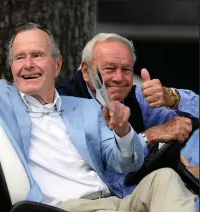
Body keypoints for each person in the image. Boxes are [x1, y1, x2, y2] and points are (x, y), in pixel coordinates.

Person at [0, 23, 196, 212]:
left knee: (166, 179)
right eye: (20, 57)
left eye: (37, 56)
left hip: (115, 200)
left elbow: (124, 162)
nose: (28, 64)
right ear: (12, 67)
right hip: (66, 209)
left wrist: (124, 132)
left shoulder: (86, 109)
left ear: (57, 65)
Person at [57, 33, 199, 198]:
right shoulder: (65, 105)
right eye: (109, 69)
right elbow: (106, 167)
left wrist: (173, 98)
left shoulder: (135, 97)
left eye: (126, 69)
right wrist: (149, 137)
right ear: (86, 72)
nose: (118, 78)